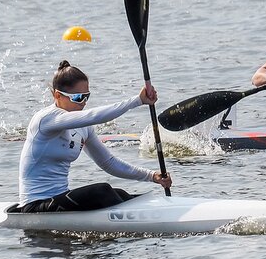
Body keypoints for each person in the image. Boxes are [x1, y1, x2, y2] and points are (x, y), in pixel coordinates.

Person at [18, 60, 172, 213]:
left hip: (59, 199)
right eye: (78, 98)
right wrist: (138, 101)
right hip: (34, 204)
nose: (83, 103)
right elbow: (94, 116)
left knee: (120, 194)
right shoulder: (46, 119)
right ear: (58, 95)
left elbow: (109, 163)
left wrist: (152, 176)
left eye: (87, 96)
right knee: (102, 191)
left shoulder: (83, 128)